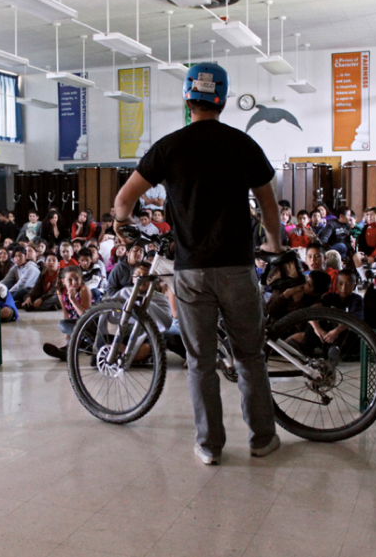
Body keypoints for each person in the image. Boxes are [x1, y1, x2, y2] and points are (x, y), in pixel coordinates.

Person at [113, 62, 281, 465]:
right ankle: (262, 439)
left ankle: (209, 447)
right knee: (250, 356)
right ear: (222, 100)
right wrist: (273, 243)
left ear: (187, 99)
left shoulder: (168, 147)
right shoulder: (243, 144)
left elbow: (124, 200)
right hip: (238, 268)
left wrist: (123, 226)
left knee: (200, 363)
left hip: (189, 273)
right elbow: (270, 204)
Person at [42, 266, 92, 361]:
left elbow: (86, 317)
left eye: (77, 279)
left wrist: (73, 300)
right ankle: (66, 352)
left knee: (68, 330)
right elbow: (66, 313)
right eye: (70, 280)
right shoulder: (61, 291)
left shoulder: (84, 290)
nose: (74, 282)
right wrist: (68, 332)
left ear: (81, 279)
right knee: (64, 326)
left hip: (88, 324)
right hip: (76, 326)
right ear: (63, 281)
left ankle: (86, 340)